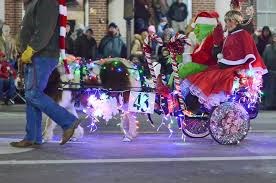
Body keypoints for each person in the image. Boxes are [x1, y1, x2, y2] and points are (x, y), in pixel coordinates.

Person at [10, 0, 83, 148]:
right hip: (35, 55)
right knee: (31, 96)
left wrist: (31, 49)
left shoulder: (47, 2)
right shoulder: (35, 2)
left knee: (33, 94)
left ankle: (68, 122)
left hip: (42, 55)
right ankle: (33, 137)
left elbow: (44, 30)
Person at [181, 10, 267, 111]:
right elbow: (220, 54)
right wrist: (217, 43)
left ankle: (199, 107)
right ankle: (192, 106)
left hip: (235, 69)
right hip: (225, 67)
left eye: (231, 21)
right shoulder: (230, 35)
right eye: (226, 21)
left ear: (237, 21)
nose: (228, 23)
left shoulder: (243, 34)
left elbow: (247, 55)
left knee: (211, 78)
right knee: (203, 75)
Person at [262, 33, 276, 110]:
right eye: (274, 37)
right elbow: (264, 60)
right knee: (270, 89)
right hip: (270, 72)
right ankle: (269, 104)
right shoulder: (268, 48)